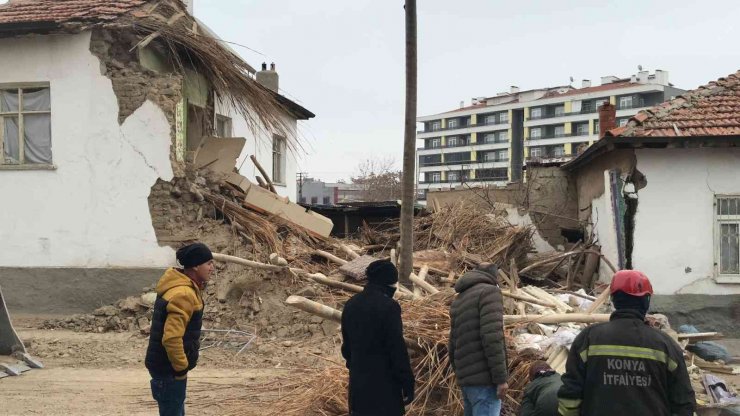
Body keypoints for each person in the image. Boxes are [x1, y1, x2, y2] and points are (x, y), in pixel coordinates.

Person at [557, 270, 696, 416]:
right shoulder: (665, 345)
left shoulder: (588, 339)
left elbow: (570, 396)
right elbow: (683, 402)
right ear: (646, 301)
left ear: (613, 299)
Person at [145, 242, 215, 416]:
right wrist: (181, 368)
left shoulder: (182, 287)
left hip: (166, 368)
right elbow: (172, 338)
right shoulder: (183, 294)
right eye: (208, 263)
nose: (212, 268)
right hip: (169, 370)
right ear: (196, 266)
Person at [341, 259, 415, 416]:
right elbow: (396, 348)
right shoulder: (389, 307)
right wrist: (407, 381)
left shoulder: (350, 305)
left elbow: (346, 348)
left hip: (358, 386)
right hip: (385, 387)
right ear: (388, 282)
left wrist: (356, 368)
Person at [449, 263, 508, 416]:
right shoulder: (489, 292)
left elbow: (452, 343)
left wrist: (461, 375)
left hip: (467, 381)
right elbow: (492, 337)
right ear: (494, 277)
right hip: (485, 381)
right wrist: (501, 378)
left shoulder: (460, 298)